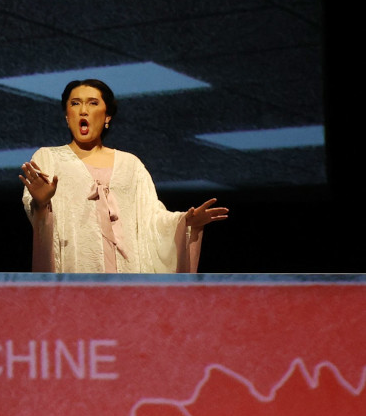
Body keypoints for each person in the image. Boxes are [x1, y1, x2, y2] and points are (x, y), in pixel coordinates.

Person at [18, 79, 229, 272]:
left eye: (92, 103)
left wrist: (186, 221)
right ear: (67, 116)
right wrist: (41, 203)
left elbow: (152, 219)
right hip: (77, 274)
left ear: (107, 115)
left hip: (126, 276)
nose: (83, 110)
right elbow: (37, 215)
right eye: (75, 103)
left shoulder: (130, 164)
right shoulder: (50, 157)